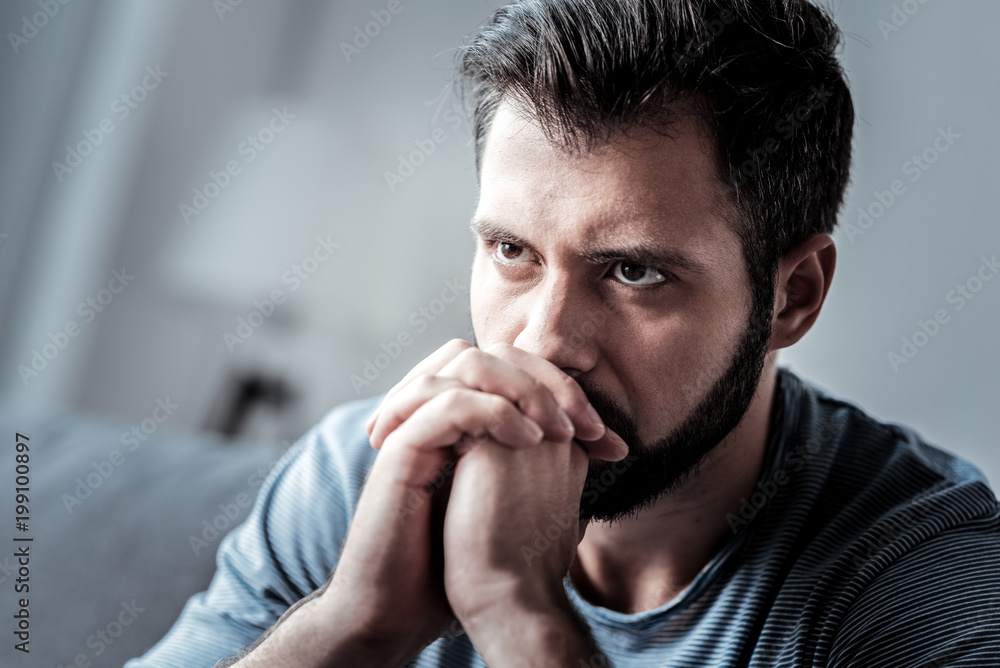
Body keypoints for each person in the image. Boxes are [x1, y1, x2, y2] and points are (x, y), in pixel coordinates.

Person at [127, 1, 1000, 666]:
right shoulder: (369, 481)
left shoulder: (924, 581)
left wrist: (515, 614)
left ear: (792, 297)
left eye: (633, 272)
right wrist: (351, 626)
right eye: (513, 251)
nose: (546, 342)